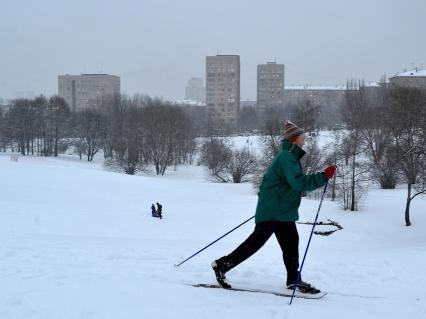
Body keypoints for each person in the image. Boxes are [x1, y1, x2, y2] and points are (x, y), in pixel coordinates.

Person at [211, 120, 336, 294]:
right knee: (255, 243)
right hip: (274, 211)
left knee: (291, 243)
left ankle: (293, 279)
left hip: (280, 211)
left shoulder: (289, 156)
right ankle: (222, 265)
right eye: (302, 136)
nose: (304, 139)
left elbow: (286, 184)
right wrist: (322, 176)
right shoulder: (286, 157)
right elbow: (298, 183)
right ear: (294, 139)